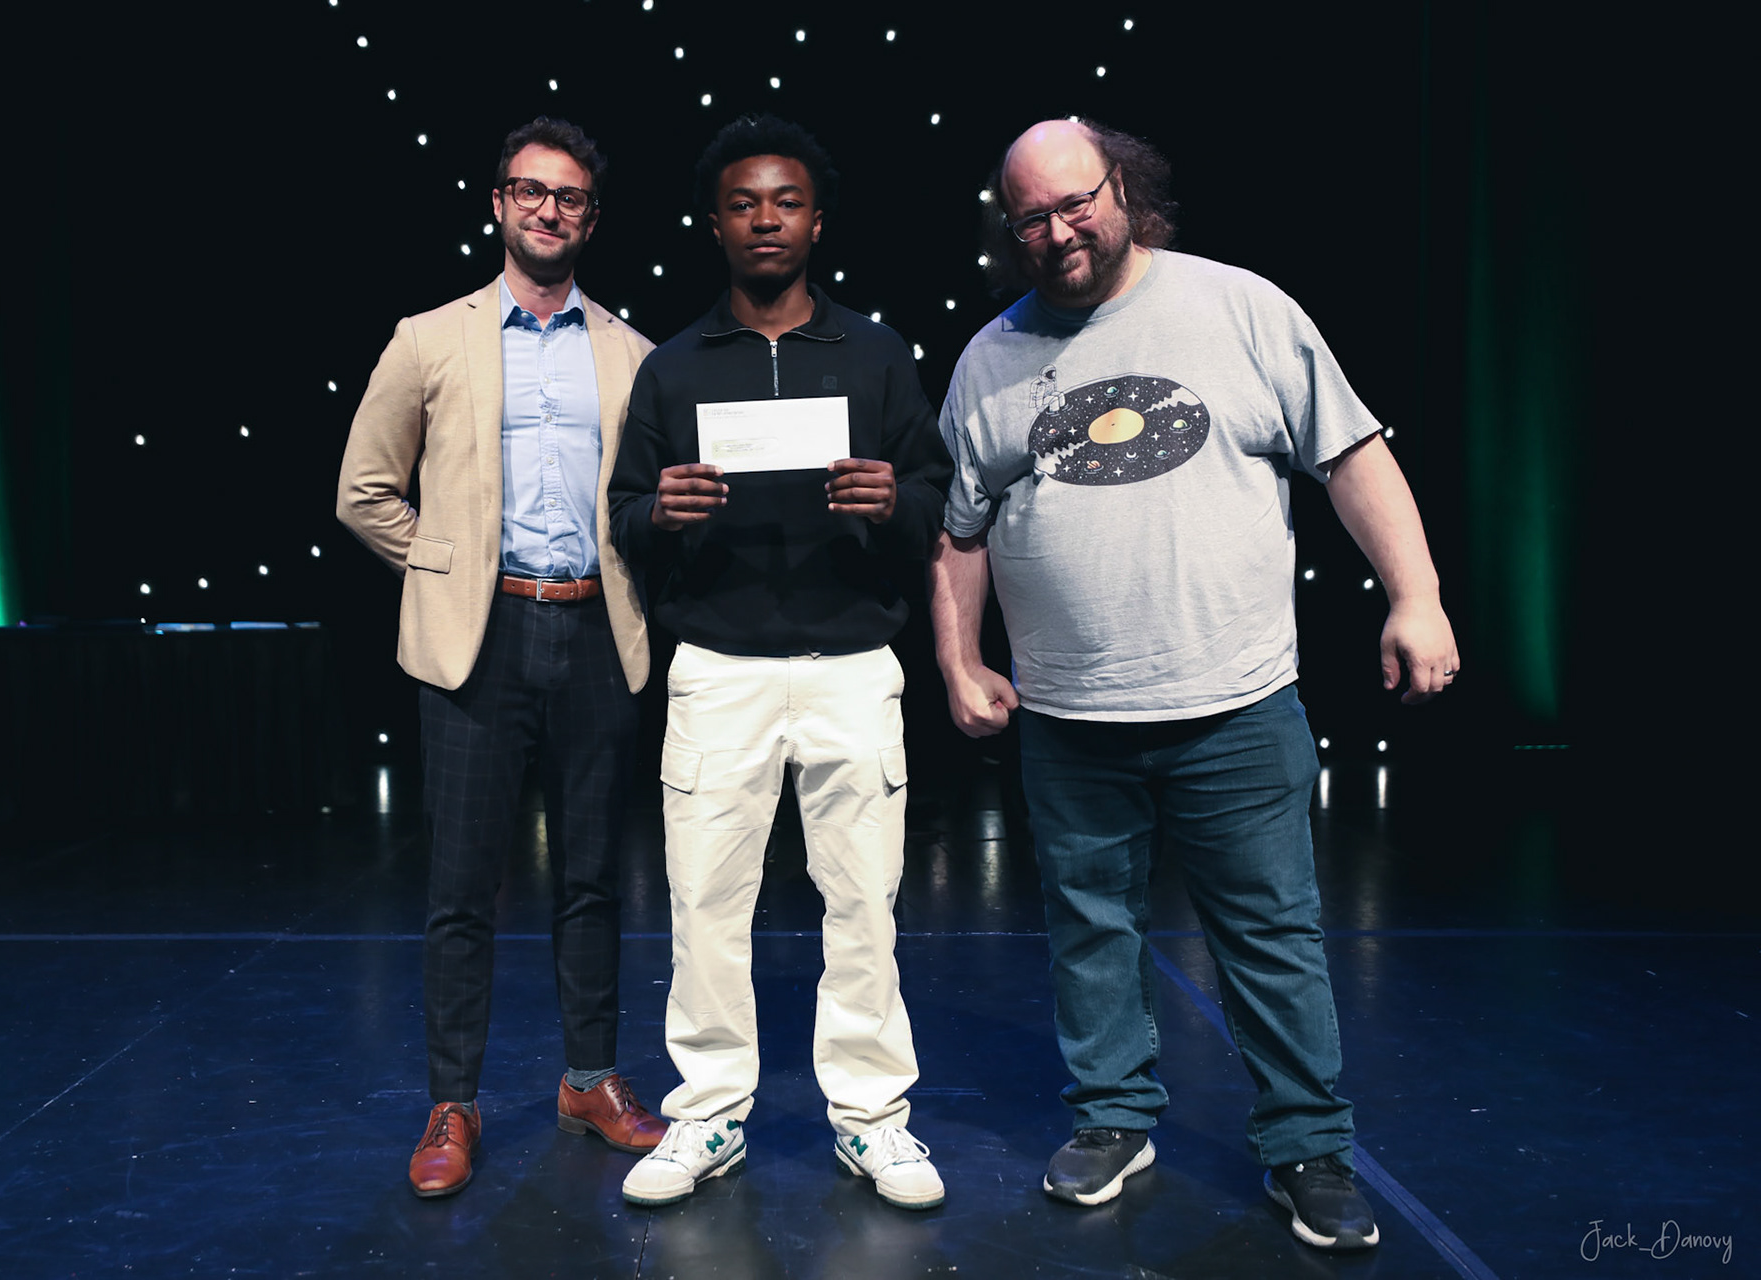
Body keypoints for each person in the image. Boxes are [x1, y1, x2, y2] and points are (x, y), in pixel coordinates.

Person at [930, 118, 1460, 1252]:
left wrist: (1415, 595)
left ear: (1124, 187)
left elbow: (1352, 454)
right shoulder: (990, 359)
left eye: (1077, 203)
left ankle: (1308, 1145)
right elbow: (961, 529)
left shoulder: (1240, 307)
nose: (1059, 232)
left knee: (1271, 934)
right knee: (1090, 931)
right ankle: (1114, 1118)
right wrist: (959, 659)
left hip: (1236, 701)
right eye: (1032, 218)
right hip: (1071, 714)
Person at [606, 116, 953, 1211]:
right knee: (706, 904)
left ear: (817, 221)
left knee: (864, 905)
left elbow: (937, 494)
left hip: (853, 664)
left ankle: (872, 1120)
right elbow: (624, 509)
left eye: (787, 201)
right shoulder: (671, 367)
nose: (767, 219)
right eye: (745, 203)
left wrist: (894, 499)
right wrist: (658, 511)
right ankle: (708, 1111)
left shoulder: (877, 353)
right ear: (715, 224)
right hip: (719, 668)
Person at [337, 116, 666, 1200]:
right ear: (498, 204)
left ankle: (589, 1080)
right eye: (530, 190)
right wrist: (446, 566)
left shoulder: (632, 353)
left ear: (590, 219)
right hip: (478, 641)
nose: (547, 209)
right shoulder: (429, 337)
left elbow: (645, 503)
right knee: (462, 886)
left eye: (568, 196)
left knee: (593, 879)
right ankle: (454, 1102)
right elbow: (363, 492)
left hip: (595, 631)